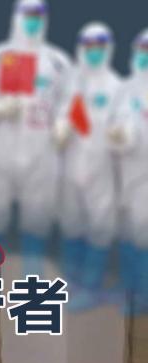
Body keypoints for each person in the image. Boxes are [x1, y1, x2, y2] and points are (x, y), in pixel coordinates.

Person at [0, 0, 71, 273]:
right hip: (2, 146)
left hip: (42, 149)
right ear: (16, 16)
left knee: (38, 215)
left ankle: (33, 278)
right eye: (27, 14)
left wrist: (63, 123)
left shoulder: (58, 61)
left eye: (38, 15)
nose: (33, 20)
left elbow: (68, 99)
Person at [53, 23, 121, 311]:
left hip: (101, 167)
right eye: (89, 46)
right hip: (70, 163)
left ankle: (91, 287)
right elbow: (59, 113)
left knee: (100, 224)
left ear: (108, 48)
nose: (94, 52)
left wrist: (119, 137)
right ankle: (73, 281)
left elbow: (123, 126)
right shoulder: (70, 83)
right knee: (71, 222)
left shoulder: (116, 86)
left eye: (99, 46)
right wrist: (60, 127)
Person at [109, 28, 148, 314]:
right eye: (143, 49)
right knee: (134, 231)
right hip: (133, 176)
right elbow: (116, 128)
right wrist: (120, 135)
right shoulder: (124, 90)